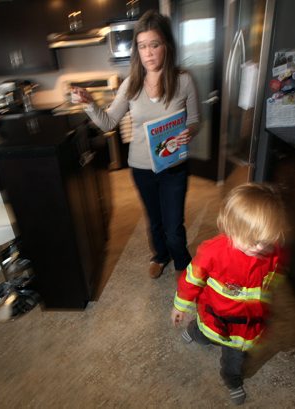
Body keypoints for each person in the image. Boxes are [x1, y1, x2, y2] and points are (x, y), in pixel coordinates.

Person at [72, 10, 200, 279]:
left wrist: (189, 132)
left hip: (174, 165)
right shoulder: (131, 84)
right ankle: (161, 255)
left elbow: (196, 121)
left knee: (174, 225)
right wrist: (89, 105)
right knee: (154, 221)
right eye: (142, 46)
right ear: (137, 51)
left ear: (167, 46)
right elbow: (108, 123)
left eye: (154, 45)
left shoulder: (184, 80)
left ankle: (181, 261)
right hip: (142, 168)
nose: (149, 53)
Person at [170, 183, 289, 406]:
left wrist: (266, 302)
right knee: (204, 334)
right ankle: (193, 331)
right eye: (252, 241)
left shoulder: (272, 252)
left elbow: (273, 278)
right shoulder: (212, 251)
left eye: (266, 241)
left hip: (244, 326)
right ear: (230, 227)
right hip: (215, 314)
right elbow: (191, 279)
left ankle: (232, 380)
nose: (260, 248)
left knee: (235, 358)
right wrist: (180, 305)